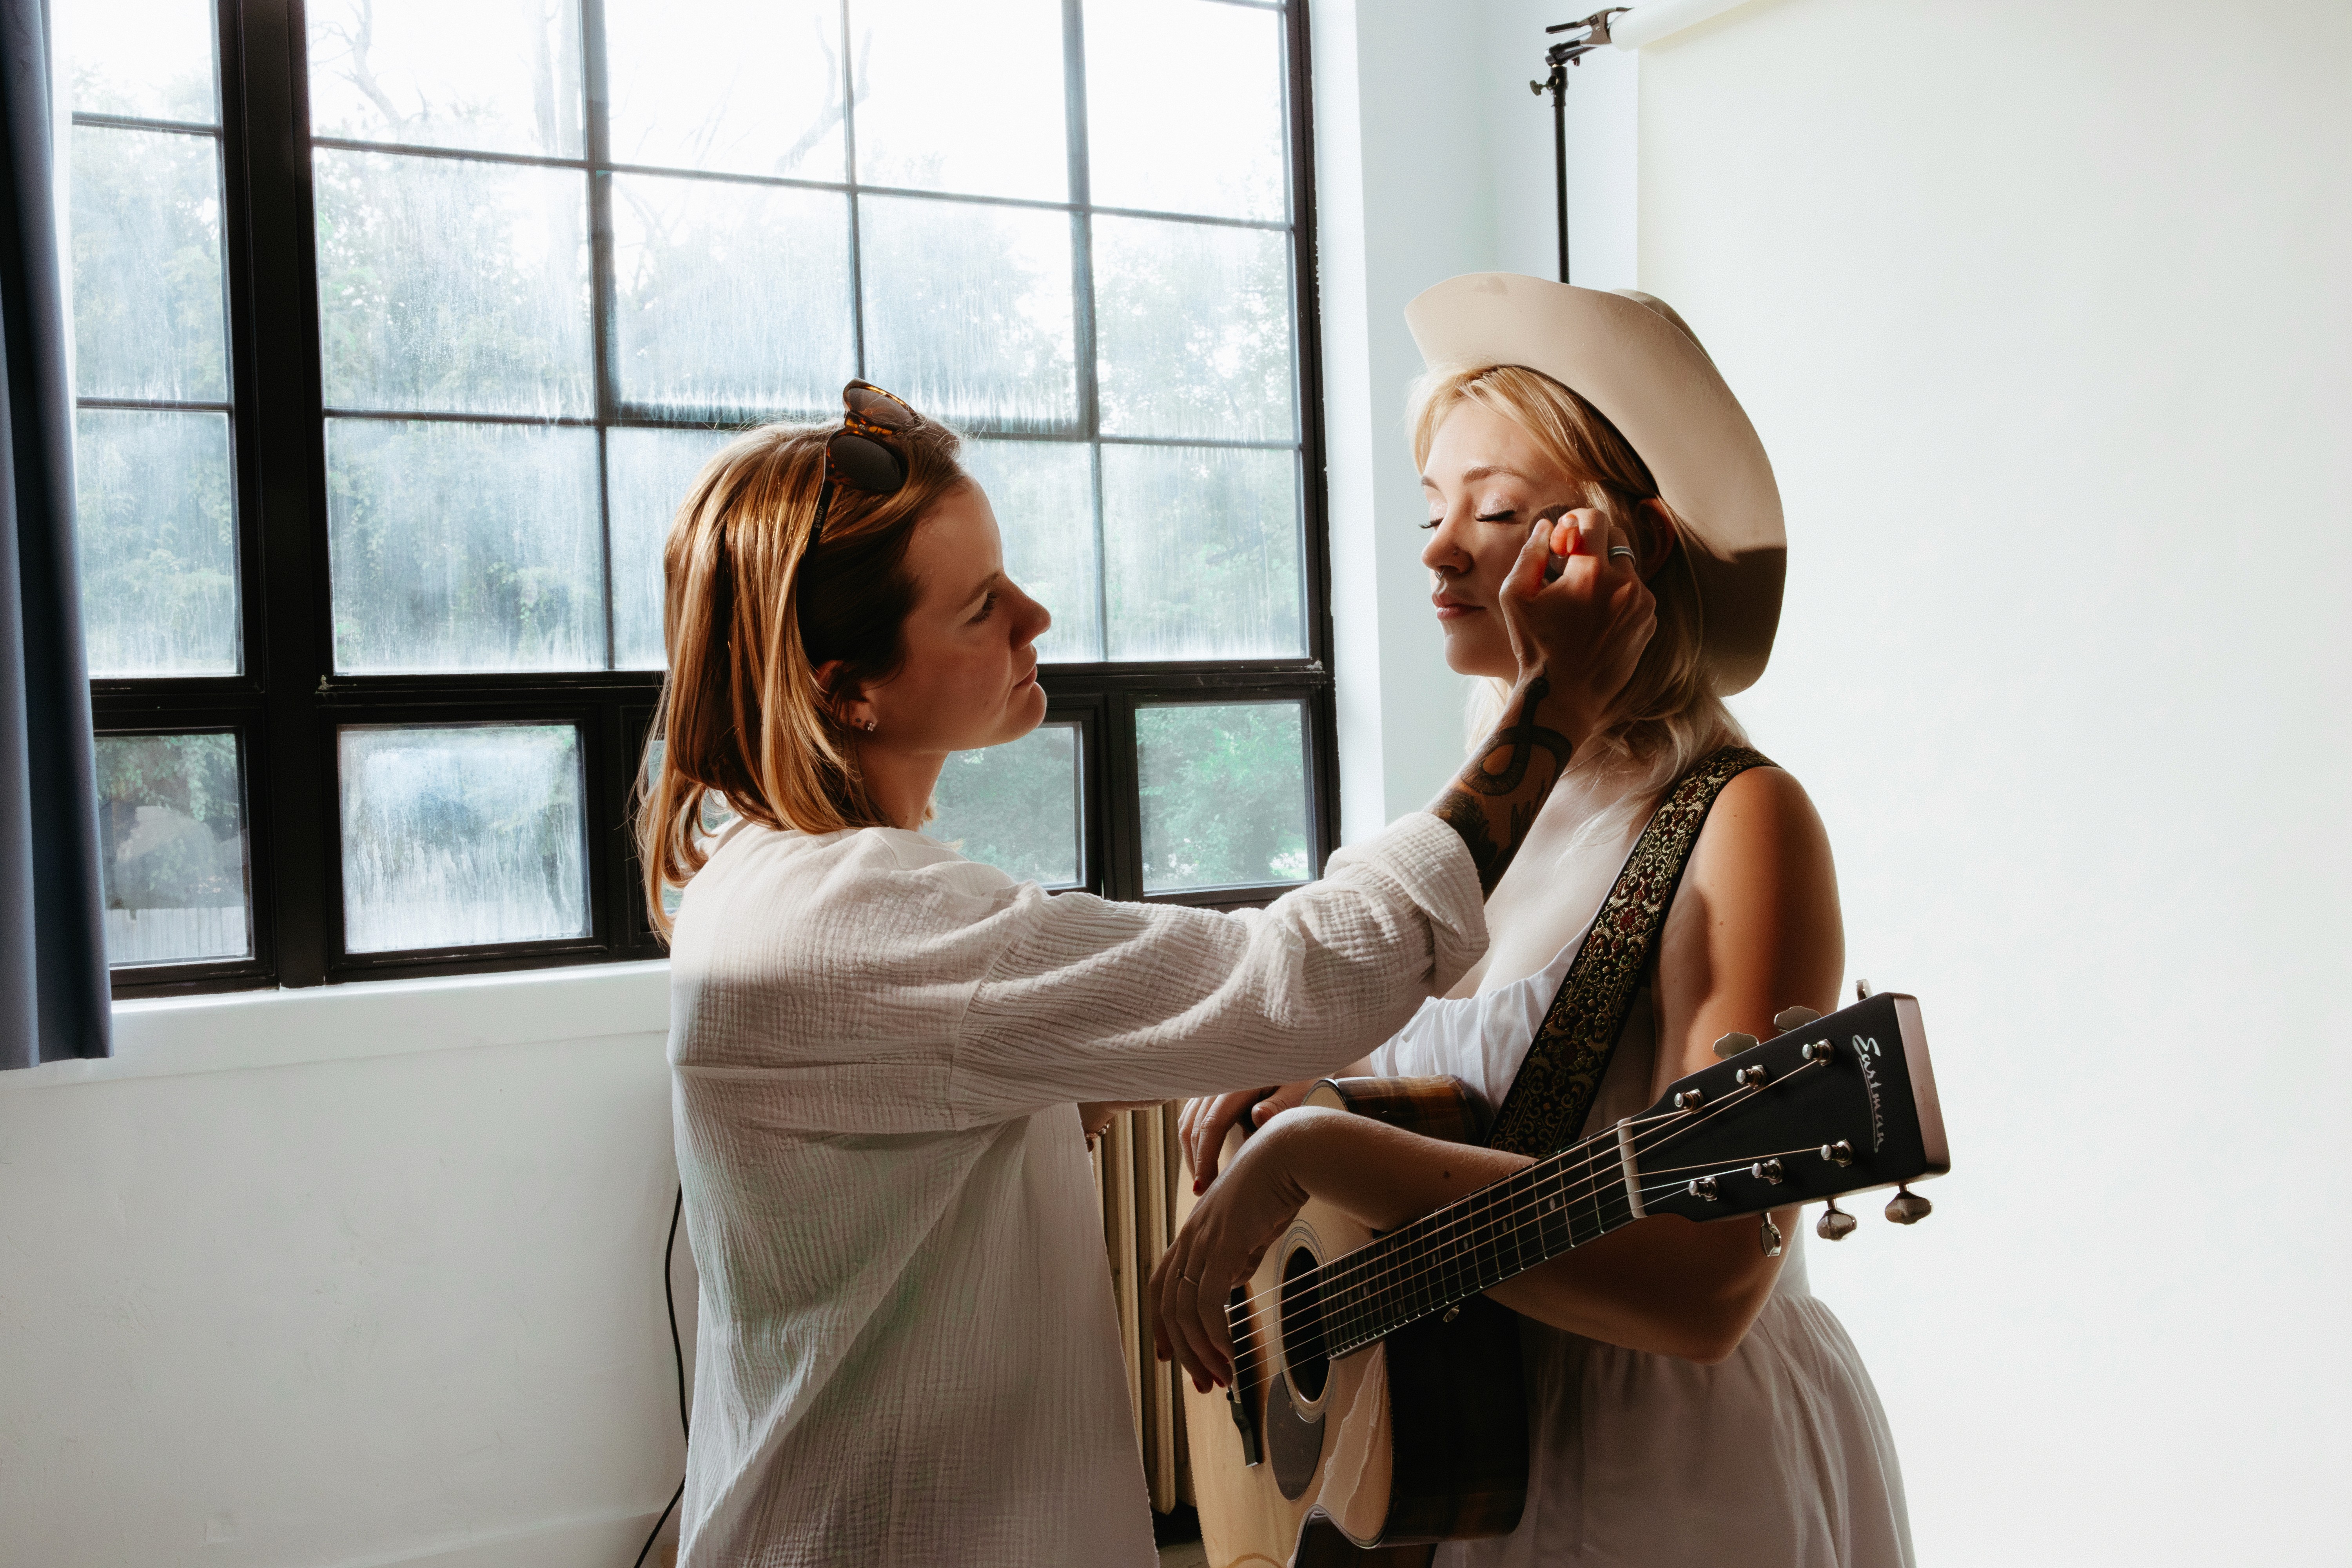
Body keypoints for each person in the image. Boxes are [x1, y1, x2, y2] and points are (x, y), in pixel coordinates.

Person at [638, 377, 1657, 1566]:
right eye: (980, 610)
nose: (1038, 617)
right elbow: (1306, 978)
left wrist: (1092, 1073)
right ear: (847, 689)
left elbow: (912, 1119)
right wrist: (1556, 700)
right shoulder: (852, 917)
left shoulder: (770, 887)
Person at [1158, 278, 1913, 1568]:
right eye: (1432, 510)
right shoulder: (1466, 838)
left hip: (1667, 1474)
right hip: (1447, 1460)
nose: (1439, 549)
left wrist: (1316, 1152)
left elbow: (1708, 1287)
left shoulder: (1737, 820)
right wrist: (1319, 1094)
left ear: (1631, 553)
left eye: (1496, 512)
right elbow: (1468, 1116)